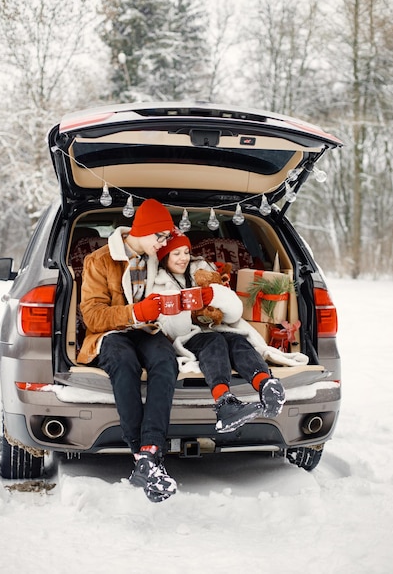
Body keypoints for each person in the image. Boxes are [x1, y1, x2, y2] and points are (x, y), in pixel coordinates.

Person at [77, 199, 179, 503]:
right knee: (124, 362)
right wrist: (135, 312)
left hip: (148, 331)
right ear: (143, 231)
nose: (163, 244)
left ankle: (149, 451)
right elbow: (92, 316)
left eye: (166, 239)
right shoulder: (100, 260)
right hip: (111, 332)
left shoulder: (157, 259)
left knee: (165, 360)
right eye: (159, 237)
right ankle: (141, 455)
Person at [154, 231, 287, 433]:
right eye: (176, 253)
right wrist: (181, 304)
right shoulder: (158, 283)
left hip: (217, 327)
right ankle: (224, 403)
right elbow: (173, 329)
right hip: (186, 336)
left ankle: (266, 385)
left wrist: (214, 295)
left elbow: (234, 315)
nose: (183, 258)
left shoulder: (204, 271)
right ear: (164, 257)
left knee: (238, 341)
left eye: (186, 252)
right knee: (214, 342)